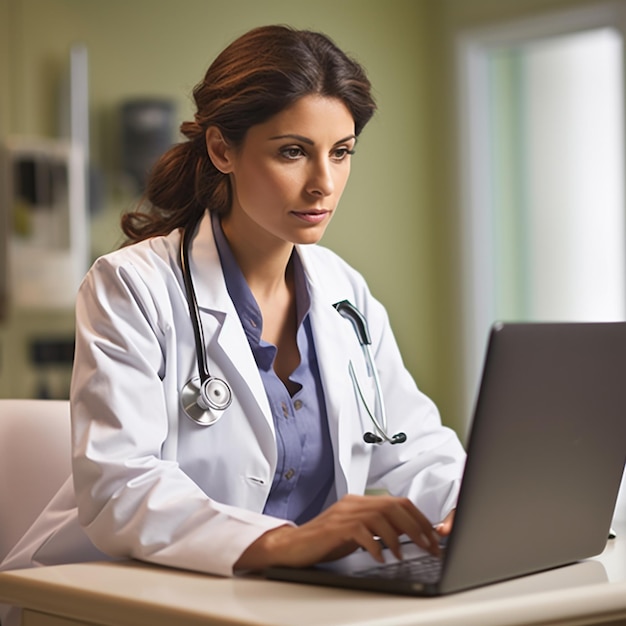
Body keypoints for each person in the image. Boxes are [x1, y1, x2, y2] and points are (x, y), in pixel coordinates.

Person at [1, 24, 465, 624]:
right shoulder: (133, 286)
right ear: (222, 150)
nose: (323, 181)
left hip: (287, 601)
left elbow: (414, 447)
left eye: (342, 151)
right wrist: (280, 541)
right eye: (292, 151)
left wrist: (473, 514)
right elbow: (121, 489)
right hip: (125, 599)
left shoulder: (343, 291)